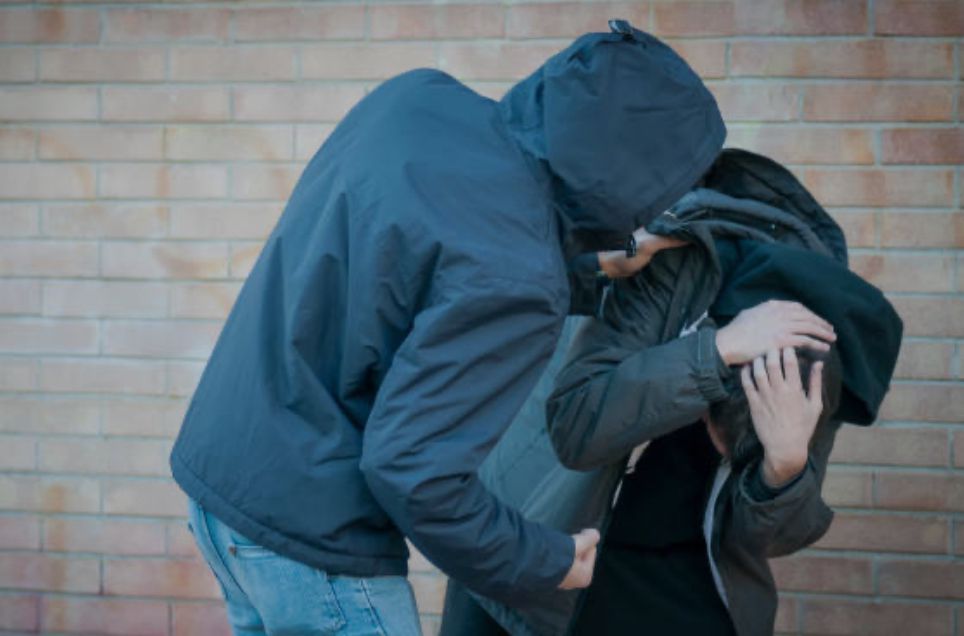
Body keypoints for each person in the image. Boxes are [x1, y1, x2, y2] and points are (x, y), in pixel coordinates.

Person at [169, 19, 738, 635]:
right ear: (638, 168)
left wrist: (589, 268)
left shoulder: (414, 98)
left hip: (223, 492)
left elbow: (424, 266)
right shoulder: (519, 276)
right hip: (314, 544)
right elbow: (413, 472)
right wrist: (546, 561)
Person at [440, 149, 903, 636]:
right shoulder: (651, 259)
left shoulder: (811, 338)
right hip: (533, 554)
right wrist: (715, 353)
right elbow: (578, 429)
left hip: (683, 591)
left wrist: (782, 469)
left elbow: (770, 537)